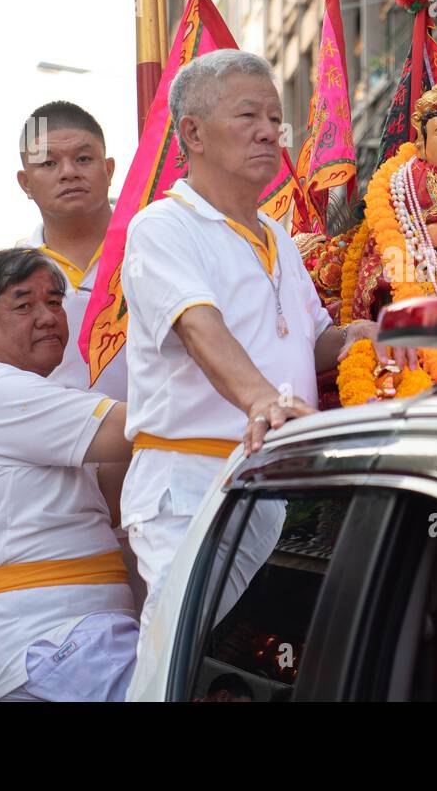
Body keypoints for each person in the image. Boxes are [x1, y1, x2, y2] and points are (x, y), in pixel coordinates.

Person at [120, 50, 380, 629]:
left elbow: (308, 342)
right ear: (193, 132)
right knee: (174, 653)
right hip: (188, 485)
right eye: (248, 117)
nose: (269, 132)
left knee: (211, 663)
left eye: (274, 118)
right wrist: (263, 401)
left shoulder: (279, 238)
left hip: (265, 480)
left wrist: (362, 337)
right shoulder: (163, 227)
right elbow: (199, 327)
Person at [0, 248, 139, 701]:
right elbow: (138, 432)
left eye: (55, 302)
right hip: (47, 642)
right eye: (24, 305)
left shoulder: (10, 393)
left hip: (51, 645)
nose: (47, 317)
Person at [0, 101, 143, 610]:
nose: (68, 172)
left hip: (163, 493)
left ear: (109, 169)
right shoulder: (1, 284)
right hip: (60, 523)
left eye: (84, 159)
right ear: (24, 180)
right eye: (48, 163)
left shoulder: (158, 250)